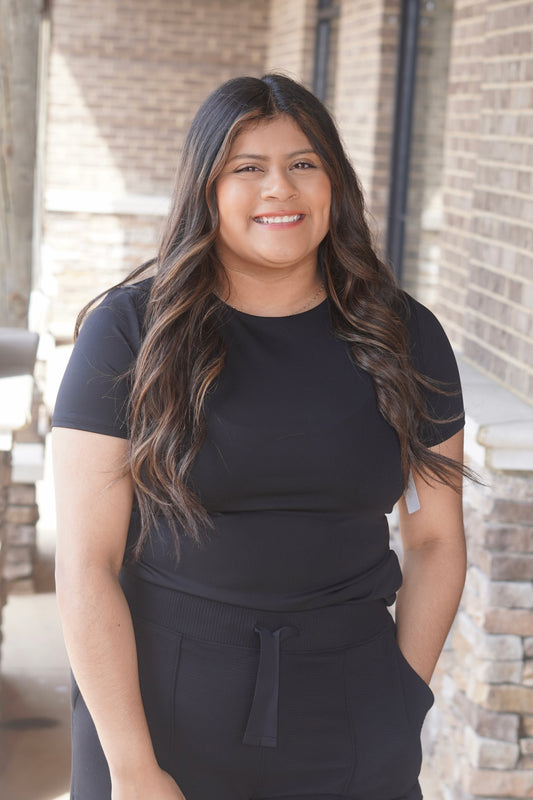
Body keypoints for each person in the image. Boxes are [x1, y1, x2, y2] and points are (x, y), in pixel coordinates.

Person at [52, 74, 467, 800]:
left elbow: (434, 539)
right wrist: (132, 767)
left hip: (352, 713)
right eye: (247, 167)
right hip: (156, 711)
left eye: (303, 164)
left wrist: (404, 697)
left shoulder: (403, 336)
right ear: (205, 189)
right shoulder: (128, 334)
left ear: (333, 182)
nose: (280, 188)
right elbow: (87, 562)